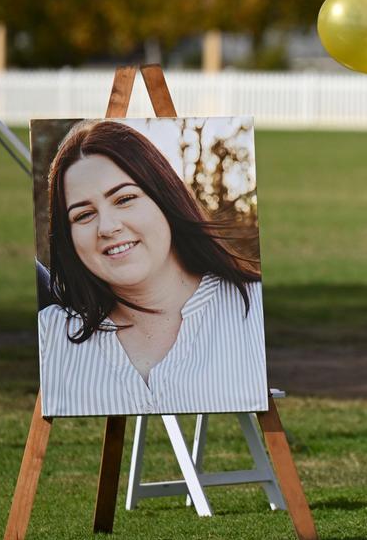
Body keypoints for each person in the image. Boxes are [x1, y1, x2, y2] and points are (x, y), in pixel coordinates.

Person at [38, 119, 268, 417]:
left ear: (164, 198)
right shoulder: (51, 335)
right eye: (83, 215)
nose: (107, 227)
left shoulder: (254, 312)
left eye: (125, 199)